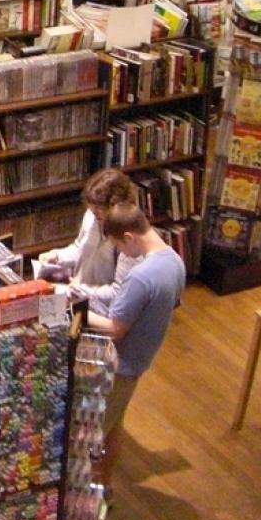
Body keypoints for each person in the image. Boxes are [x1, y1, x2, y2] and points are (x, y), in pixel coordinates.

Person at [86, 202, 186, 482]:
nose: (120, 252)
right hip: (140, 360)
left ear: (129, 237)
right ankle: (105, 485)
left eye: (119, 245)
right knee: (115, 426)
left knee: (91, 435)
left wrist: (77, 310)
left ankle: (86, 494)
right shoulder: (175, 262)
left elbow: (114, 329)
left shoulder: (140, 278)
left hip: (119, 366)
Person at [36, 168, 142, 312]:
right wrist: (57, 256)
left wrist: (82, 290)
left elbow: (118, 292)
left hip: (100, 309)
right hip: (75, 294)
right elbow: (79, 247)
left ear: (115, 206)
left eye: (98, 209)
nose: (93, 212)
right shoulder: (92, 216)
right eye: (92, 207)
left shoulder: (128, 240)